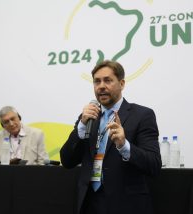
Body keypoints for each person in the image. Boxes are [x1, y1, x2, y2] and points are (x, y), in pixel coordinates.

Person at [60, 60, 161, 214]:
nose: (101, 86)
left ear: (121, 83)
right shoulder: (88, 117)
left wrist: (124, 145)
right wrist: (80, 127)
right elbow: (67, 160)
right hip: (90, 202)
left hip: (125, 204)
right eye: (97, 81)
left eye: (107, 80)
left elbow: (153, 164)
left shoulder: (142, 115)